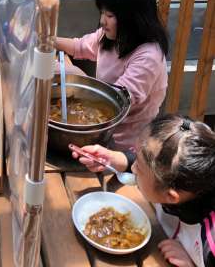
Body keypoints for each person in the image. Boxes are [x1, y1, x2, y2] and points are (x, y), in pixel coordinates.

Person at [70, 114, 215, 267]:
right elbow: (155, 166)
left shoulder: (210, 247)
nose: (133, 169)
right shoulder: (181, 181)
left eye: (138, 166)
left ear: (170, 196)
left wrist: (190, 264)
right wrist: (116, 159)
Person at [55, 0, 169, 149]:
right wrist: (47, 39)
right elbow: (79, 46)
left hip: (125, 141)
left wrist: (76, 76)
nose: (102, 21)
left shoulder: (149, 56)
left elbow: (119, 99)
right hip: (101, 123)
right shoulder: (111, 36)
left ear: (132, 19)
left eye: (109, 15)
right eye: (102, 13)